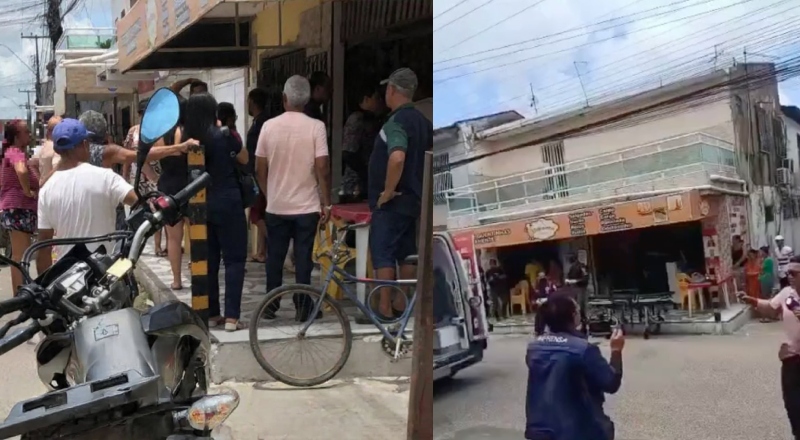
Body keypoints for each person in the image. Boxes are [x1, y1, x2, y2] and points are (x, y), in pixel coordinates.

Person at [255, 75, 331, 321]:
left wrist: (269, 194)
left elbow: (259, 169)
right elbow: (322, 167)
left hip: (277, 206)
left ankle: (270, 304)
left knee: (275, 257)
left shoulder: (268, 126)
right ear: (307, 99)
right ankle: (303, 306)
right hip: (306, 206)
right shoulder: (316, 127)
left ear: (284, 98)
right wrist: (326, 201)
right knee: (303, 259)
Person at [368, 68, 432, 319]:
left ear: (392, 90)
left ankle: (384, 308)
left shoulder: (396, 123)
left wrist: (388, 191)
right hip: (413, 201)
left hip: (392, 203)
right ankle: (401, 305)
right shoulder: (424, 123)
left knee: (382, 254)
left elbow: (396, 157)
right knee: (406, 254)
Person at [184, 93, 249, 332]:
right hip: (229, 201)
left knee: (207, 259)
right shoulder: (224, 135)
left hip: (200, 205)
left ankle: (211, 314)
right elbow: (244, 157)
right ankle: (232, 317)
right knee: (234, 259)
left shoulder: (187, 139)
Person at [37, 119, 138, 269]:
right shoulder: (106, 177)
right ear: (84, 144)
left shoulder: (46, 190)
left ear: (57, 150)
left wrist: (43, 287)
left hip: (66, 278)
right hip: (102, 275)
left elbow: (44, 246)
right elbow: (136, 202)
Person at [526, 292, 623, 440]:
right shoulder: (583, 349)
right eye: (577, 310)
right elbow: (611, 383)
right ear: (572, 316)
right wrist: (616, 351)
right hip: (579, 431)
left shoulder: (534, 348)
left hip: (541, 430)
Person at [740, 256, 800, 439]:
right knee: (793, 406)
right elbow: (772, 308)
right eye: (788, 272)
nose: (789, 276)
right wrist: (752, 300)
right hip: (791, 358)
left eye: (794, 273)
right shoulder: (787, 294)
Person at [0, 120, 45, 293]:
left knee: (22, 254)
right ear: (17, 137)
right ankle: (20, 294)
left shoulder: (14, 153)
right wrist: (27, 191)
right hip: (18, 208)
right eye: (27, 132)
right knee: (20, 256)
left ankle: (22, 291)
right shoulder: (14, 152)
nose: (30, 134)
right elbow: (21, 171)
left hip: (19, 209)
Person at [123, 106, 165, 257]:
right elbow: (126, 155)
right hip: (139, 177)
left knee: (158, 210)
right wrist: (125, 175)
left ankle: (157, 246)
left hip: (156, 177)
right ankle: (132, 242)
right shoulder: (133, 131)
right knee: (138, 210)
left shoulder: (160, 131)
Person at [341, 83, 382, 203]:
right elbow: (348, 153)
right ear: (366, 99)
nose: (379, 102)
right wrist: (366, 172)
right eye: (376, 98)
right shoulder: (357, 119)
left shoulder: (372, 120)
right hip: (355, 184)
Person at [246, 88, 269, 263]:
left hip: (260, 175)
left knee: (256, 214)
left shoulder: (262, 124)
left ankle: (272, 242)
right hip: (261, 174)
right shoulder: (260, 122)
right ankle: (262, 251)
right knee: (261, 213)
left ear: (253, 102)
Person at [565, 255, 590, 334]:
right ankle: (578, 327)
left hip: (580, 289)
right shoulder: (571, 267)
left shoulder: (581, 266)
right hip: (574, 290)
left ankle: (583, 328)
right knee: (575, 308)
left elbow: (585, 278)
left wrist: (574, 281)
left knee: (580, 308)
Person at [36, 115, 62, 185]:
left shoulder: (43, 147)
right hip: (54, 188)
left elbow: (31, 163)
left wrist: (40, 180)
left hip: (43, 190)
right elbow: (57, 169)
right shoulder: (57, 148)